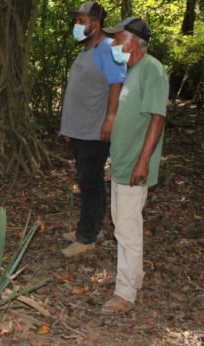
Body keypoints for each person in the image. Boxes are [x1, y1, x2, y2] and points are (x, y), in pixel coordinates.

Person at [101, 17, 169, 314]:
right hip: (122, 163)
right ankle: (134, 278)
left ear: (132, 41)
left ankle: (125, 294)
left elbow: (157, 117)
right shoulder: (132, 71)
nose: (113, 44)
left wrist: (143, 161)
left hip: (134, 168)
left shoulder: (151, 69)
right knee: (124, 226)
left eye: (117, 39)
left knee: (127, 230)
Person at [60, 1, 126, 257]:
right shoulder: (87, 50)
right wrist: (68, 127)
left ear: (95, 24)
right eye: (76, 20)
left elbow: (116, 84)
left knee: (90, 183)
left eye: (81, 21)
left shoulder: (107, 48)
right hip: (80, 130)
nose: (77, 25)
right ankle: (91, 227)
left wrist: (110, 118)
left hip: (95, 131)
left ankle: (86, 237)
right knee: (90, 181)